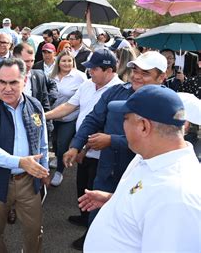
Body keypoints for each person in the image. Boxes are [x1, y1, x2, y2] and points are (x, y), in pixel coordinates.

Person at [63, 51, 167, 250]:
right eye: (135, 69)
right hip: (107, 170)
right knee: (96, 217)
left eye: (145, 73)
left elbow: (157, 141)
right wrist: (76, 145)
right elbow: (93, 118)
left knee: (129, 227)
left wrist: (112, 140)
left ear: (161, 77)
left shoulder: (167, 103)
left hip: (140, 177)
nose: (137, 75)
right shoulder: (116, 92)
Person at [81, 85, 201, 252]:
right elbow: (148, 203)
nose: (123, 124)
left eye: (125, 118)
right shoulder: (149, 157)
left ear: (144, 126)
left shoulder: (176, 197)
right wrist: (116, 200)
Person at [0, 58, 49, 253]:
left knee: (34, 231)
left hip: (28, 180)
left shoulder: (35, 106)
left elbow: (42, 142)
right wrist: (21, 162)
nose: (7, 88)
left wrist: (45, 170)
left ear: (25, 81)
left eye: (13, 82)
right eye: (2, 82)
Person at [45, 49, 122, 227]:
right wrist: (44, 115)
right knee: (82, 188)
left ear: (109, 70)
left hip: (102, 154)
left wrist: (83, 148)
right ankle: (84, 218)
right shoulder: (87, 84)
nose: (90, 72)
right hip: (83, 149)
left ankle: (91, 229)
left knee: (97, 191)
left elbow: (104, 125)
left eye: (94, 68)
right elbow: (68, 106)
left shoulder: (119, 91)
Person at [48, 50, 87, 186]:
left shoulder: (80, 77)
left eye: (69, 60)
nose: (66, 63)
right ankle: (58, 156)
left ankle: (59, 171)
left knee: (62, 143)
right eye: (63, 60)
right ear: (58, 62)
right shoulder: (51, 76)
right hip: (53, 117)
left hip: (69, 118)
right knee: (55, 143)